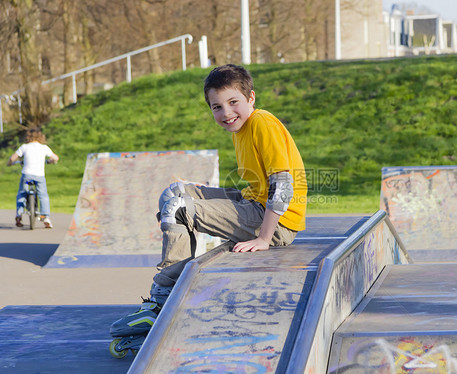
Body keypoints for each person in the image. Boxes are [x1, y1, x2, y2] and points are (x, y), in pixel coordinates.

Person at [109, 64, 308, 349]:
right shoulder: (242, 129)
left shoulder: (262, 122)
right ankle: (176, 282)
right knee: (175, 192)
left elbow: (283, 185)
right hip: (253, 203)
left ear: (251, 98)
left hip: (277, 222)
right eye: (217, 107)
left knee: (179, 208)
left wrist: (264, 238)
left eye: (233, 103)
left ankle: (162, 301)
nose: (226, 113)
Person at [7, 128, 59, 228]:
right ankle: (45, 217)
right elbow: (55, 158)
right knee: (43, 195)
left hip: (27, 177)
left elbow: (12, 158)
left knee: (22, 193)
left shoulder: (24, 147)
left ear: (28, 137)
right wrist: (50, 161)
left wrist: (10, 163)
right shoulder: (44, 148)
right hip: (39, 177)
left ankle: (19, 213)